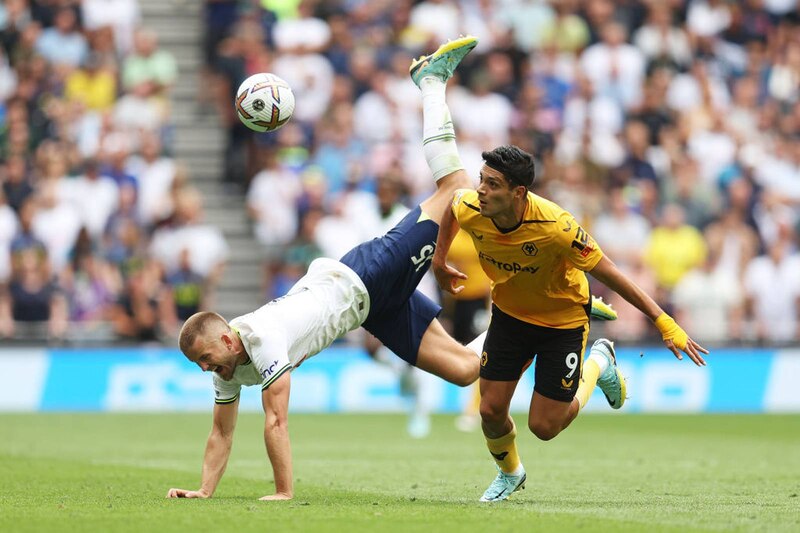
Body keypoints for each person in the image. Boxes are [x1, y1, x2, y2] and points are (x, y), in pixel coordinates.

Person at [165, 39, 486, 501]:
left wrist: (283, 491)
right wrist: (203, 490)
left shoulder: (258, 337)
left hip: (364, 276)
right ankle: (527, 322)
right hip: (369, 308)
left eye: (205, 359)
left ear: (227, 339)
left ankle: (430, 81)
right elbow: (221, 434)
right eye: (200, 364)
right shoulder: (226, 368)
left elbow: (276, 419)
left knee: (458, 187)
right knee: (464, 371)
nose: (204, 369)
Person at [416, 36, 708, 502]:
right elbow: (452, 208)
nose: (481, 191)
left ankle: (601, 362)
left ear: (518, 193)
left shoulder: (556, 227)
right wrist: (439, 257)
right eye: (482, 180)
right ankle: (510, 473)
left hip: (561, 323)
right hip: (510, 316)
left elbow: (611, 271)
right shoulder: (473, 205)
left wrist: (662, 320)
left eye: (492, 185)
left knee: (545, 426)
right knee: (491, 409)